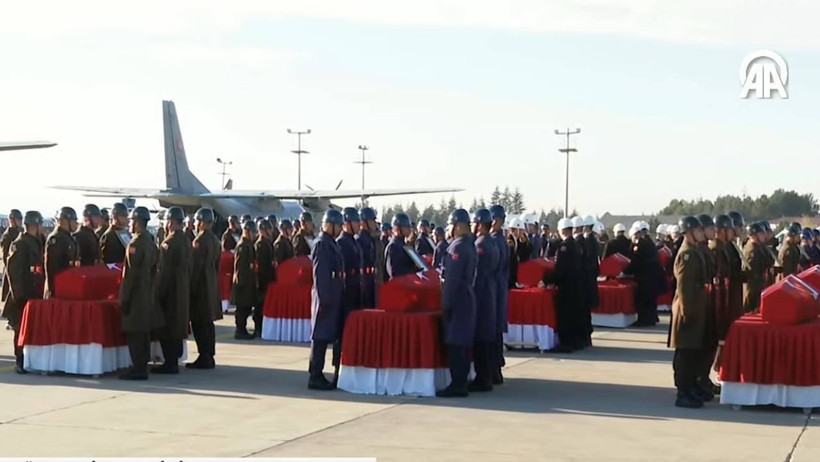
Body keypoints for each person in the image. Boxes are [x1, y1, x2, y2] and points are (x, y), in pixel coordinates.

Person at [669, 215, 709, 409]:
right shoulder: (687, 254)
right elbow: (684, 287)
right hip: (688, 309)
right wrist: (687, 312)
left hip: (695, 306)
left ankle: (691, 387)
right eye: (698, 230)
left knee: (693, 352)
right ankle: (683, 392)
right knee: (685, 353)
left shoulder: (694, 251)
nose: (702, 233)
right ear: (689, 232)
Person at [119, 206, 163, 380]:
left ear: (137, 222)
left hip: (137, 295)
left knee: (135, 331)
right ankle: (141, 365)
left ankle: (138, 368)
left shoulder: (135, 244)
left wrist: (124, 298)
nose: (130, 224)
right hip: (147, 292)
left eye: (132, 221)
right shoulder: (151, 242)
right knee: (143, 331)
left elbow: (130, 276)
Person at [437, 209, 477, 398]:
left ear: (459, 226)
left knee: (455, 343)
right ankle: (460, 382)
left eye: (451, 225)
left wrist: (445, 304)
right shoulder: (469, 245)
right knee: (462, 343)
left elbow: (451, 280)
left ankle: (457, 384)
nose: (449, 229)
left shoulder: (457, 247)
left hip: (458, 299)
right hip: (466, 296)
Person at [308, 209, 345, 391]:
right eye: (338, 226)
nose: (340, 229)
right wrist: (324, 299)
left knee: (324, 336)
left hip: (331, 296)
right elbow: (320, 274)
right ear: (329, 225)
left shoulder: (330, 243)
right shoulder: (322, 244)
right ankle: (315, 375)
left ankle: (317, 373)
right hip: (325, 298)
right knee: (320, 337)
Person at [4, 211, 45, 373]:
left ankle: (29, 360)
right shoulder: (20, 244)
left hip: (34, 293)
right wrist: (20, 297)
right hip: (22, 296)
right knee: (20, 329)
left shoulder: (37, 241)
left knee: (32, 329)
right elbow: (14, 272)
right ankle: (20, 360)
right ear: (35, 225)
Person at [153, 207, 191, 374]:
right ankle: (174, 360)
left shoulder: (169, 242)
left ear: (170, 222)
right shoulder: (186, 240)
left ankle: (170, 362)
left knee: (167, 326)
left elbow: (164, 271)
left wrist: (157, 292)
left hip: (170, 290)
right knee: (177, 324)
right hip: (182, 287)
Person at [187, 207, 223, 370]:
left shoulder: (199, 241)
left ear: (201, 222)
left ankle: (204, 356)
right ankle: (209, 355)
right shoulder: (215, 240)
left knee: (199, 323)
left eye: (196, 221)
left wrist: (190, 287)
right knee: (208, 323)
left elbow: (195, 268)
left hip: (200, 287)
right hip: (211, 284)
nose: (195, 224)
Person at [469, 209, 499, 392]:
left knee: (481, 338)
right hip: (490, 291)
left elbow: (477, 273)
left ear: (480, 224)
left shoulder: (479, 244)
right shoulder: (492, 242)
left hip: (481, 294)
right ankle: (487, 376)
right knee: (487, 337)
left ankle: (483, 378)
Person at [543, 217, 583, 352]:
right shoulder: (576, 245)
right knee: (573, 314)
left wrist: (547, 280)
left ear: (563, 231)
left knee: (565, 316)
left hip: (566, 286)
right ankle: (573, 342)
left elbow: (561, 269)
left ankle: (565, 343)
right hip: (575, 285)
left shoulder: (564, 247)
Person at [489, 205, 509, 384]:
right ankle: (496, 370)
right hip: (500, 289)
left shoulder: (494, 241)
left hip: (493, 290)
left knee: (491, 332)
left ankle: (493, 370)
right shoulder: (502, 240)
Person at [627, 222, 662, 327]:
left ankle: (644, 320)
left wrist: (626, 271)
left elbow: (636, 261)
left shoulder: (641, 244)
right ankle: (651, 318)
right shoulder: (650, 242)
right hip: (652, 275)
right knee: (651, 299)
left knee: (643, 299)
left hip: (645, 276)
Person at [44, 207, 80, 298]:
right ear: (64, 221)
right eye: (74, 220)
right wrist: (53, 290)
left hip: (68, 285)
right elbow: (52, 267)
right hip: (58, 289)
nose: (76, 223)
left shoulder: (69, 238)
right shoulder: (56, 239)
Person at [231, 220, 258, 340]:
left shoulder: (248, 244)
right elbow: (240, 266)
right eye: (253, 232)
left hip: (248, 281)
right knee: (242, 308)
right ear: (247, 231)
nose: (255, 234)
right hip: (243, 283)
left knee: (246, 307)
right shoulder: (242, 246)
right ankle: (240, 330)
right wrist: (241, 283)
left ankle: (242, 329)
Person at [338, 208, 363, 322]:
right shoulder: (341, 243)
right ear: (347, 224)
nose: (359, 224)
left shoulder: (354, 242)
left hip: (356, 288)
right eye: (356, 222)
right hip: (347, 291)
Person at [254, 219, 275, 337]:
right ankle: (258, 327)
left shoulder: (267, 243)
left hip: (267, 278)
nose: (270, 232)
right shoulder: (261, 245)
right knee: (260, 305)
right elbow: (260, 265)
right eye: (268, 230)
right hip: (262, 279)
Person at [356, 207, 379, 309]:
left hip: (371, 278)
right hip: (363, 279)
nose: (374, 223)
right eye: (371, 220)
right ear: (363, 222)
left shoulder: (370, 239)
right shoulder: (359, 240)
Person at [742, 222, 767, 313]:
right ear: (754, 235)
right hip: (752, 287)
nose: (764, 235)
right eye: (761, 233)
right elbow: (751, 273)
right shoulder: (751, 250)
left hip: (757, 285)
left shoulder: (757, 248)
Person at [582, 216, 599, 346]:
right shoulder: (593, 240)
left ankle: (586, 336)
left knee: (585, 311)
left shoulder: (588, 241)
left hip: (587, 279)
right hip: (591, 278)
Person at [385, 212, 416, 279]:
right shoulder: (393, 246)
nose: (409, 229)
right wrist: (412, 272)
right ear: (397, 228)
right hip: (399, 283)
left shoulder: (404, 245)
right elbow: (394, 271)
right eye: (406, 227)